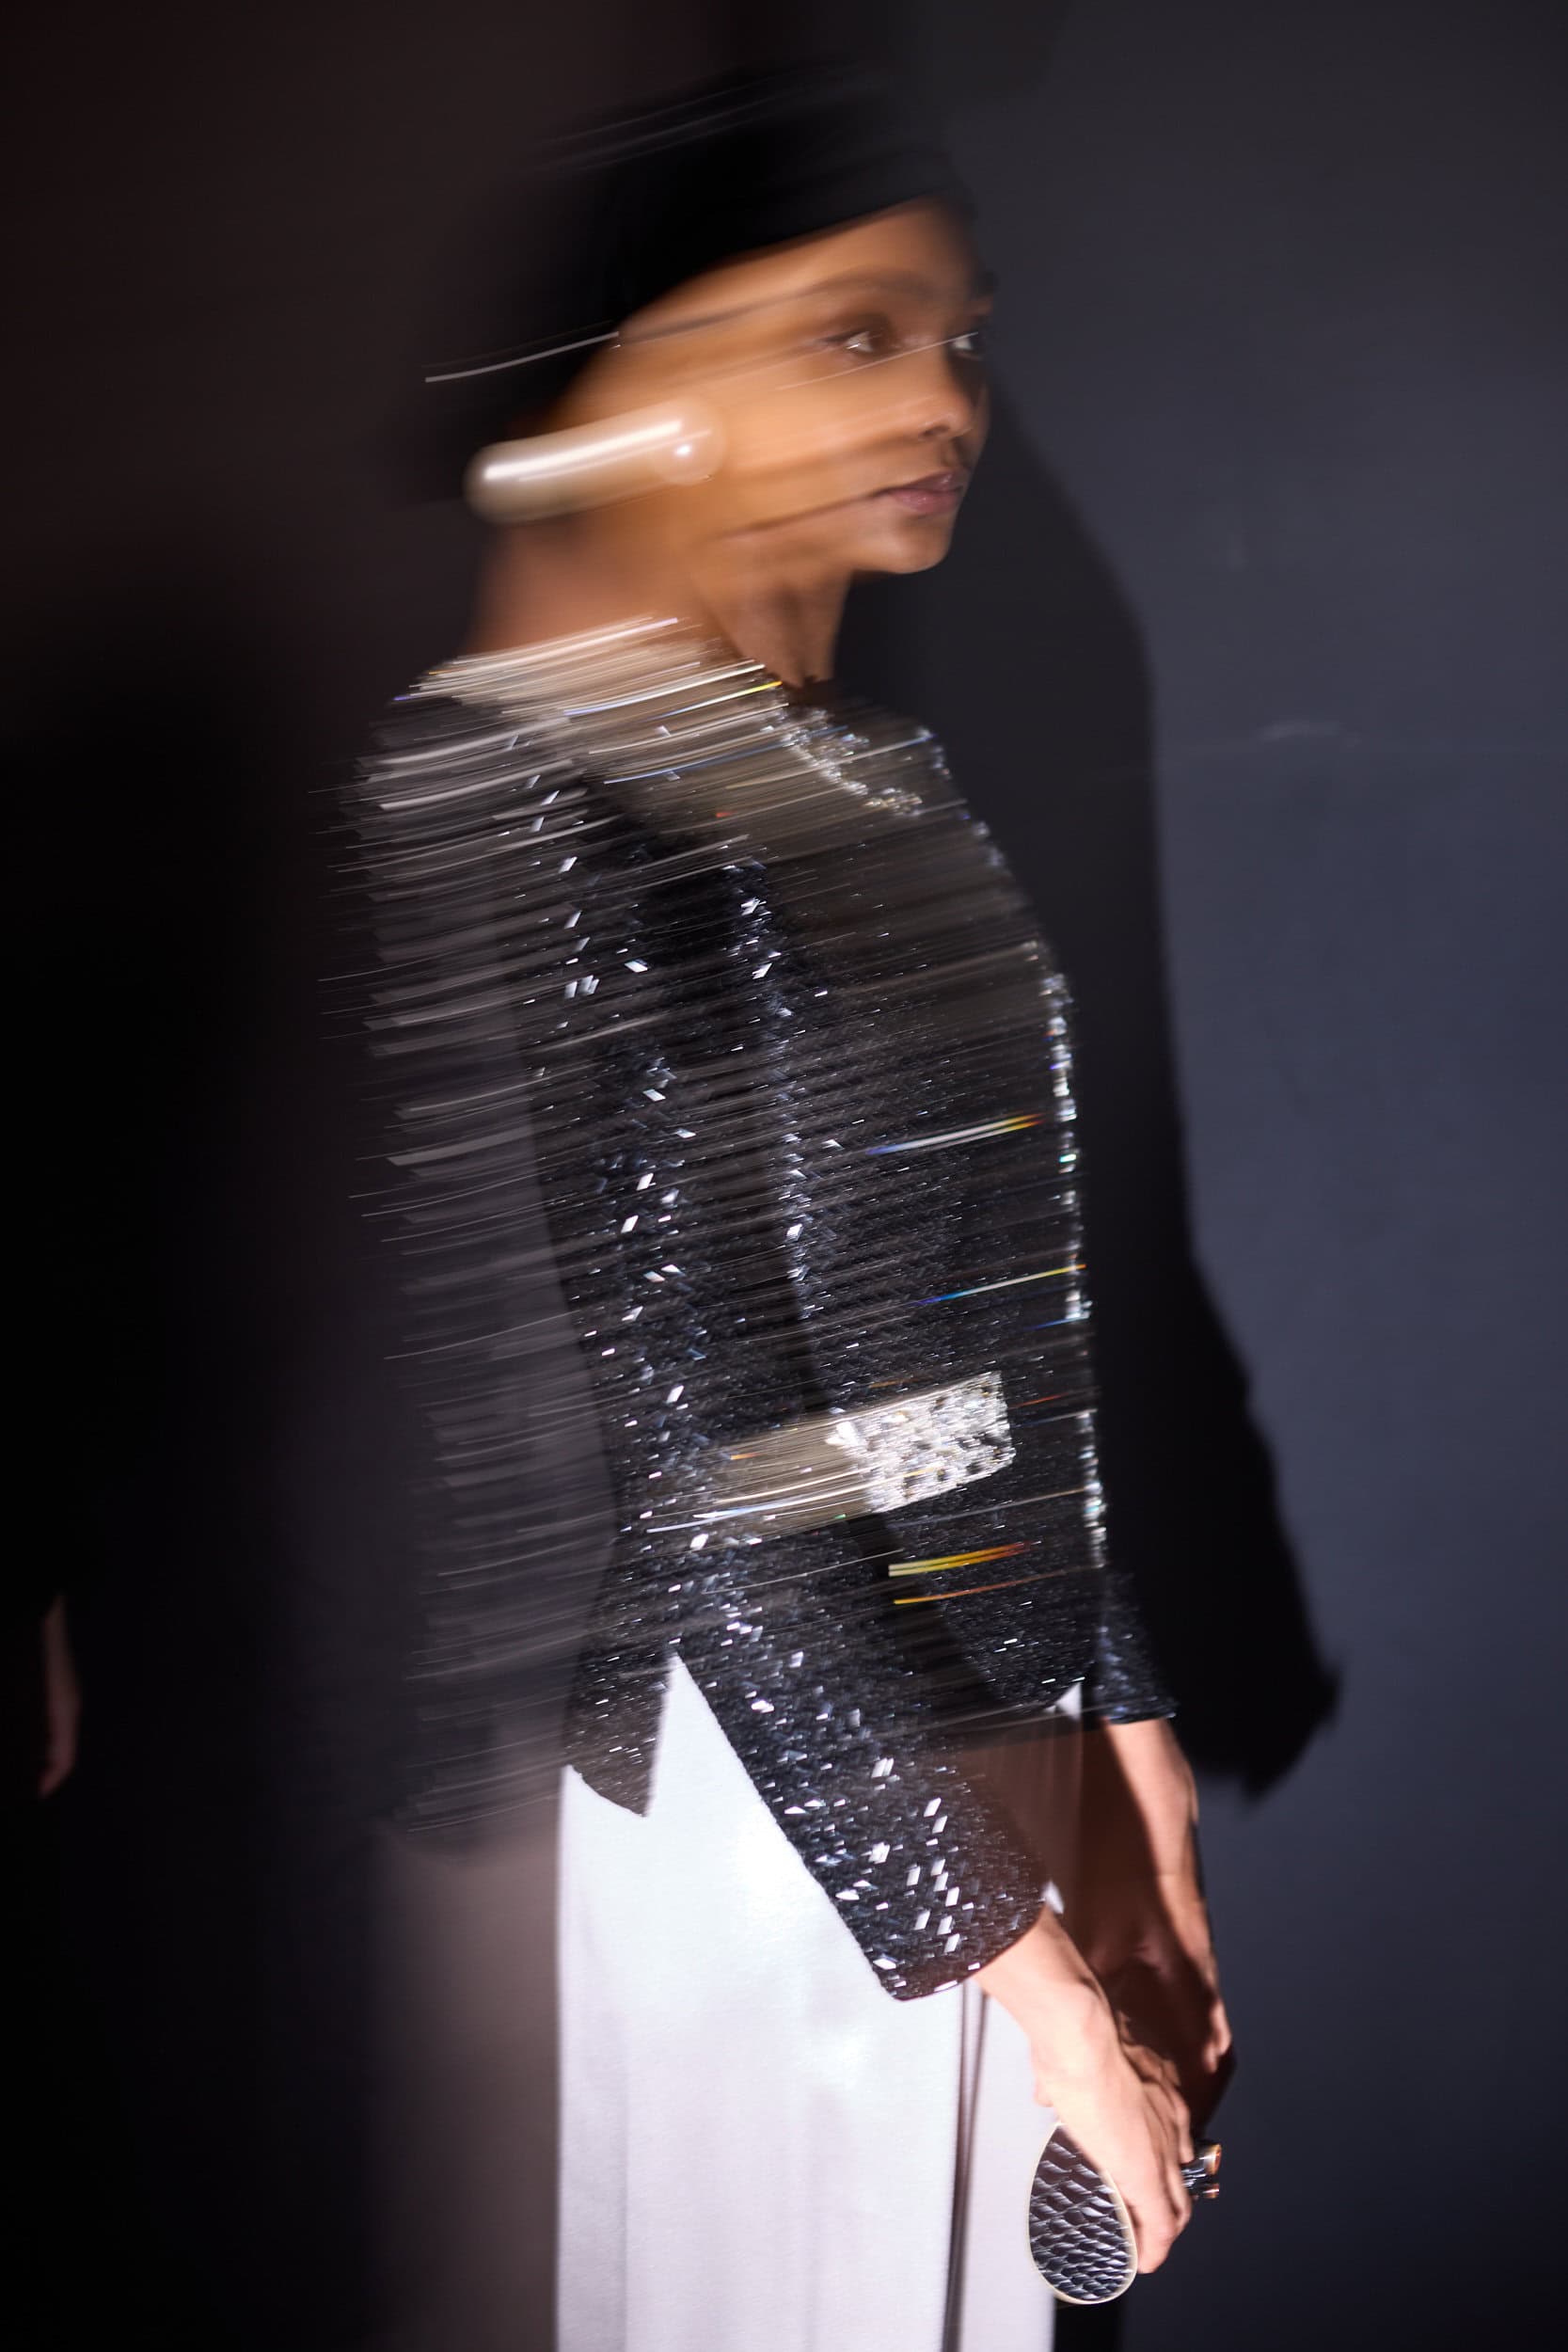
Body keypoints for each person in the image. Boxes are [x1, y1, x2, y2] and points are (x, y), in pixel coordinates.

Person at [348, 63, 1229, 2352]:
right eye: (855, 332)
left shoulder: (868, 765)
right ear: (660, 373)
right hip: (785, 1777)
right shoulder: (547, 767)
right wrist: (1029, 1973)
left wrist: (1123, 1719)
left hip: (974, 1696)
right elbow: (703, 1450)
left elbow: (986, 1307)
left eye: (957, 333)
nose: (942, 395)